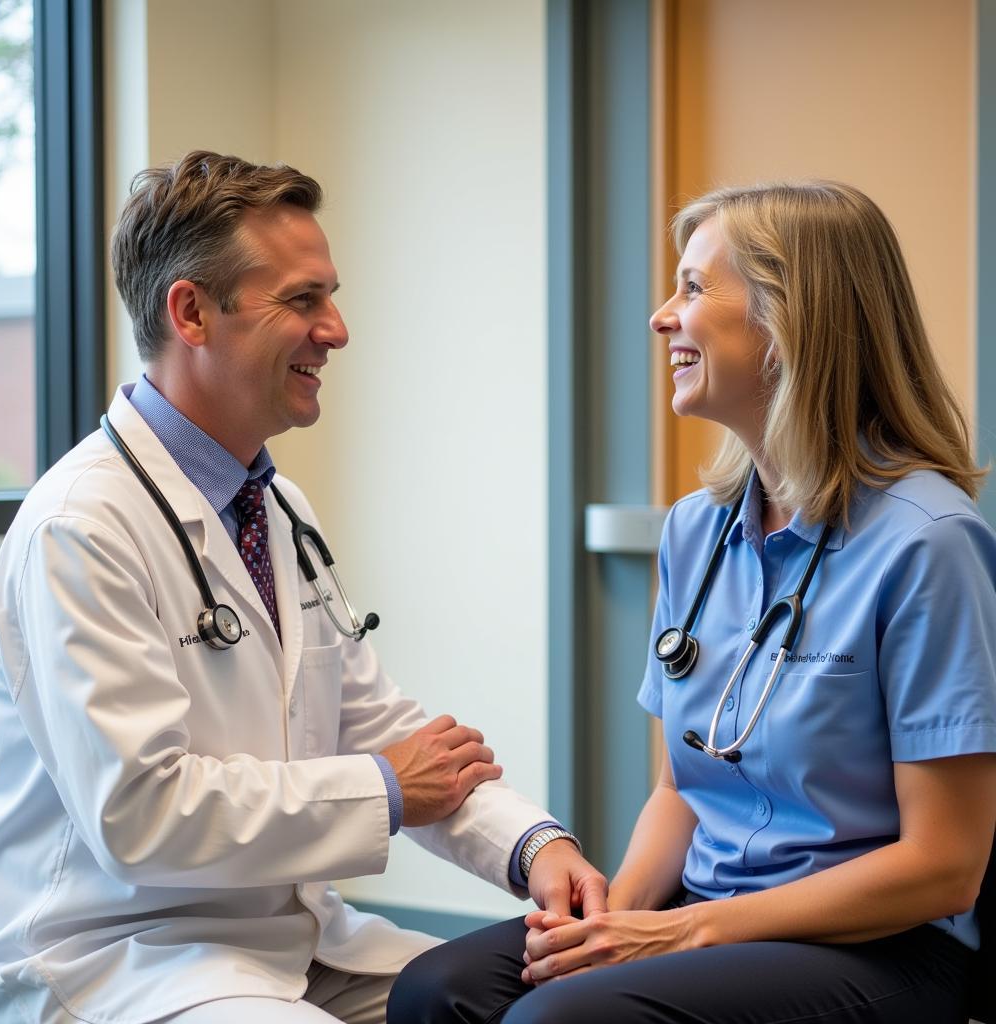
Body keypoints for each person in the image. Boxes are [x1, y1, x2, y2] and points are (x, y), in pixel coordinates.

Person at [0, 151, 606, 1024]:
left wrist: (535, 846)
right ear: (191, 311)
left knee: (545, 1006)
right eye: (302, 300)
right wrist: (384, 787)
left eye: (330, 297)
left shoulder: (272, 506)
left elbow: (378, 727)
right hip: (117, 956)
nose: (336, 329)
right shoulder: (79, 528)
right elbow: (141, 813)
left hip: (290, 939)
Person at [388, 181, 996, 1024]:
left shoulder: (927, 542)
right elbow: (681, 788)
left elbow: (946, 864)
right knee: (435, 991)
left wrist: (679, 936)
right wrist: (607, 925)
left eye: (693, 287)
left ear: (791, 322)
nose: (661, 316)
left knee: (559, 1023)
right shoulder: (697, 531)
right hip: (708, 915)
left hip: (880, 945)